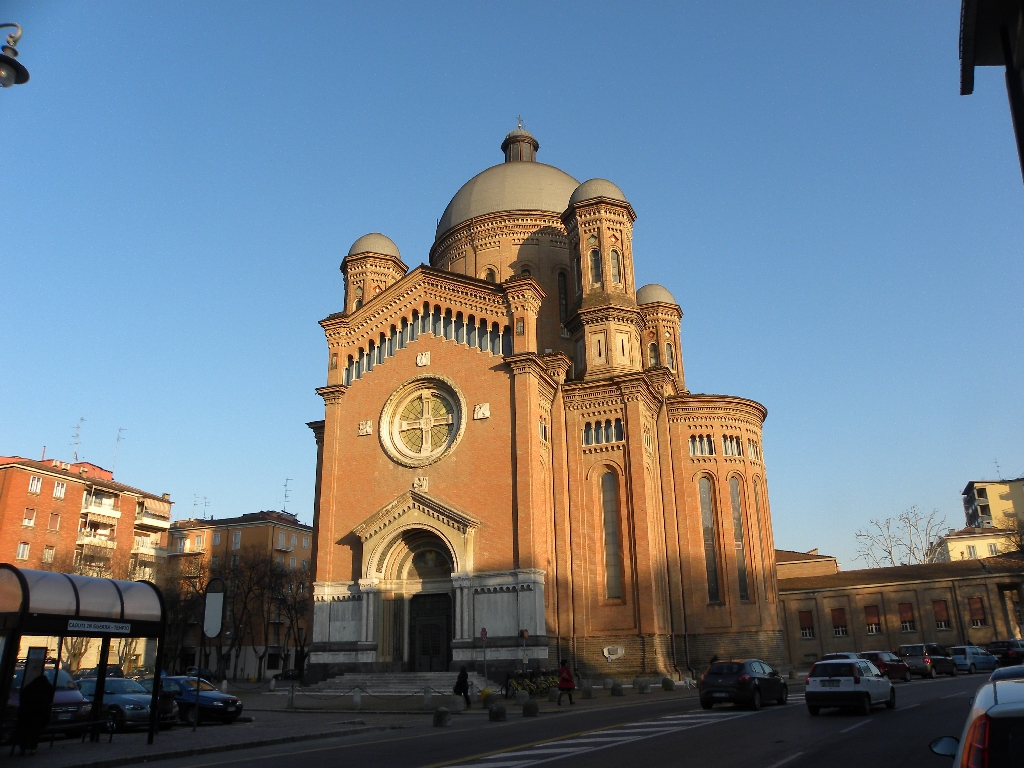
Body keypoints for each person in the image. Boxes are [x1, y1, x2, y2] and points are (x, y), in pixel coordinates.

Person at [16, 672, 54, 754]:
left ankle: (23, 747)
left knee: (25, 729)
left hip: (26, 711)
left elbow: (22, 697)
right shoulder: (48, 687)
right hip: (40, 712)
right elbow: (50, 700)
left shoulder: (29, 686)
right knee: (35, 730)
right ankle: (33, 748)